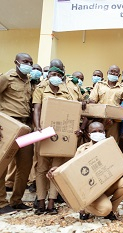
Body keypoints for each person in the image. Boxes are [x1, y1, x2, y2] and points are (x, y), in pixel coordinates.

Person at [47, 122, 123, 220]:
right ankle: (86, 208)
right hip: (91, 189)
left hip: (107, 184)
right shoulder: (82, 149)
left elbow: (118, 166)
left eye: (100, 131)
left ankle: (111, 211)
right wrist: (58, 169)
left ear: (104, 132)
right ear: (89, 134)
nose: (98, 133)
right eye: (94, 131)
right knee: (105, 209)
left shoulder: (111, 147)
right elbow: (73, 168)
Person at [32, 66, 83, 215]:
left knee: (56, 170)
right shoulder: (41, 89)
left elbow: (72, 111)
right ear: (48, 76)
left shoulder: (67, 92)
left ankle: (51, 203)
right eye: (53, 74)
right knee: (41, 168)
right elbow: (36, 109)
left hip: (61, 136)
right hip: (44, 133)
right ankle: (41, 201)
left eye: (59, 75)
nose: (56, 77)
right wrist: (37, 126)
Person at [0, 53, 34, 214]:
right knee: (3, 164)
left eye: (30, 62)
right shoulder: (6, 78)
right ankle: (1, 202)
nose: (28, 64)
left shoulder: (29, 81)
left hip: (25, 125)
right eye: (25, 61)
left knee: (25, 164)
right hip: (8, 123)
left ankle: (16, 200)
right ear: (16, 62)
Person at [89, 65, 123, 141]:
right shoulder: (99, 85)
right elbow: (92, 100)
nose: (113, 73)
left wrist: (115, 118)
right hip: (99, 120)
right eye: (111, 71)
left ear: (119, 75)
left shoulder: (122, 88)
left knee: (112, 142)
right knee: (97, 142)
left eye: (116, 72)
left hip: (114, 122)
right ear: (107, 73)